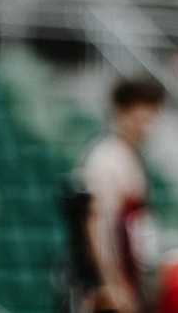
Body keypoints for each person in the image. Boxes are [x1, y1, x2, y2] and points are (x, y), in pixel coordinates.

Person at [72, 78, 167, 313]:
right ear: (121, 113)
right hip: (109, 286)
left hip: (129, 277)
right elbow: (96, 224)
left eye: (152, 117)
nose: (147, 126)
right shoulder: (106, 158)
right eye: (141, 117)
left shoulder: (130, 157)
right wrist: (110, 283)